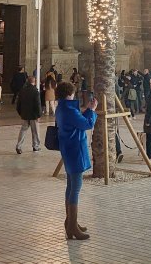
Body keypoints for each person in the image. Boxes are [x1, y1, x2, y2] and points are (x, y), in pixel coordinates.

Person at [55, 81, 97, 241]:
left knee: (71, 186)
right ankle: (72, 227)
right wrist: (92, 110)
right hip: (75, 150)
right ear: (69, 94)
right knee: (76, 187)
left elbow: (77, 121)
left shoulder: (63, 107)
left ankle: (71, 222)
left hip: (68, 149)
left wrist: (87, 110)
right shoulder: (69, 109)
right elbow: (86, 124)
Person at [15, 76, 42, 154]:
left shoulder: (22, 90)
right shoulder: (35, 91)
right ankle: (35, 146)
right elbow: (38, 104)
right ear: (34, 82)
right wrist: (39, 115)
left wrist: (20, 113)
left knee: (23, 130)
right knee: (35, 131)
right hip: (33, 115)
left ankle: (18, 146)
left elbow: (18, 103)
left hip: (25, 114)